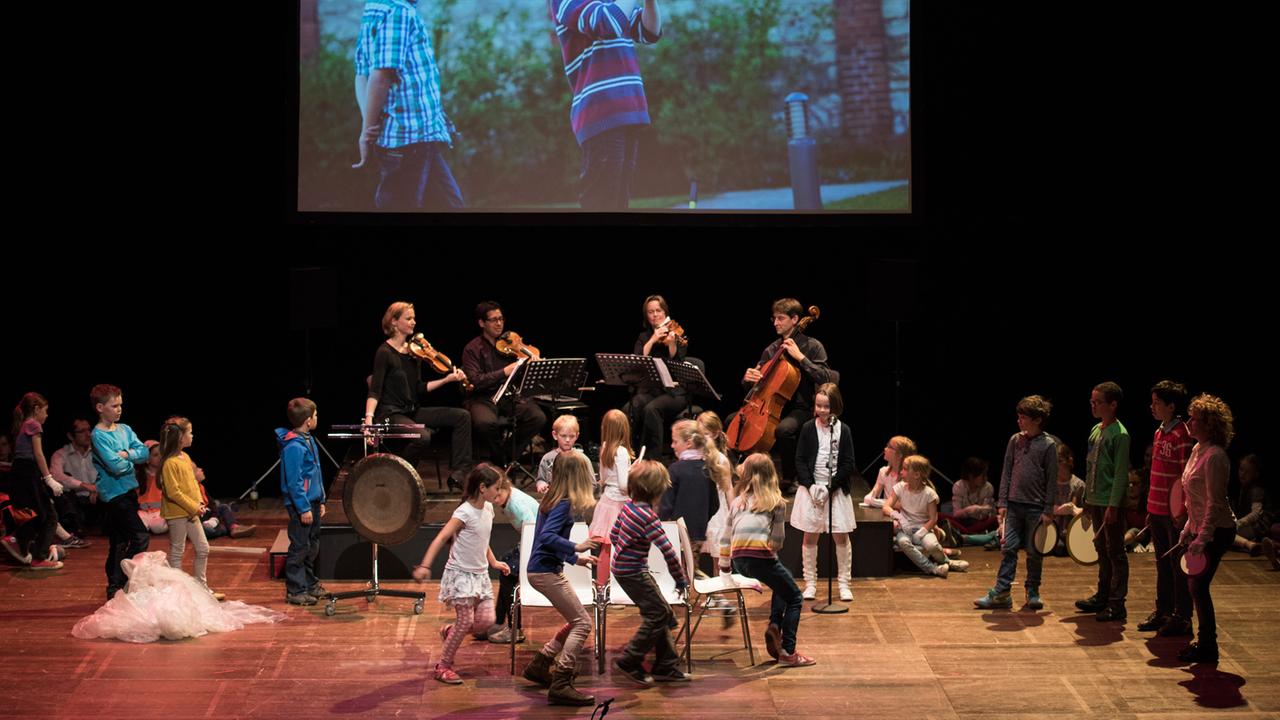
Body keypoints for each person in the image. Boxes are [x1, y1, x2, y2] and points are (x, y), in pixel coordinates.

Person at [548, 0, 663, 210]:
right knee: (601, 202)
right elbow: (608, 21)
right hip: (600, 111)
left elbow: (648, 32)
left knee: (619, 202)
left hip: (629, 109)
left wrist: (650, 3)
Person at [352, 0, 464, 210]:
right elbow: (380, 76)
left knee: (450, 205)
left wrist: (368, 124)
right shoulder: (399, 11)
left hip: (421, 138)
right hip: (407, 139)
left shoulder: (375, 8)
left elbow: (361, 74)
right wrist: (366, 131)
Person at [412, 464, 510, 684]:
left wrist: (494, 562)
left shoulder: (488, 509)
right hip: (461, 575)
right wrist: (425, 566)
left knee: (487, 620)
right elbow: (440, 538)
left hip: (480, 574)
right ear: (483, 488)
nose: (499, 492)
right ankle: (442, 666)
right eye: (496, 487)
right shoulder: (464, 512)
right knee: (466, 622)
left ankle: (451, 631)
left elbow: (482, 540)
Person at [520, 452, 600, 706]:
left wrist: (576, 560)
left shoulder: (552, 499)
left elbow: (549, 543)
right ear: (578, 477)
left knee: (575, 620)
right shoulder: (563, 503)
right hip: (544, 572)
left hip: (542, 569)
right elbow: (546, 537)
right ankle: (562, 682)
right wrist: (577, 547)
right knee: (583, 624)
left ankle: (541, 664)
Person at [719, 454, 815, 667]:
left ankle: (774, 625)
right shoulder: (776, 503)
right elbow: (777, 541)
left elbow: (725, 537)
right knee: (795, 598)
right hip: (760, 558)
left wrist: (724, 567)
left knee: (782, 582)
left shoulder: (737, 502)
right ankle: (788, 651)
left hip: (738, 560)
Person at [366, 301, 473, 490]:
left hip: (412, 411)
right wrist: (369, 419)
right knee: (422, 436)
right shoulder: (384, 352)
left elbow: (419, 389)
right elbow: (375, 390)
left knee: (462, 416)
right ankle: (397, 474)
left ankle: (458, 475)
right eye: (408, 318)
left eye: (413, 318)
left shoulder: (414, 352)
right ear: (394, 322)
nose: (413, 322)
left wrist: (447, 380)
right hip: (390, 414)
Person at [739, 299, 837, 490]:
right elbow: (753, 389)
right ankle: (753, 473)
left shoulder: (812, 346)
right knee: (734, 421)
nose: (775, 322)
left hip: (800, 407)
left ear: (794, 319)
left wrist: (800, 357)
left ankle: (790, 477)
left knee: (784, 430)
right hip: (770, 406)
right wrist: (748, 379)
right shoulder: (772, 349)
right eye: (774, 318)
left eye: (780, 318)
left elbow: (826, 377)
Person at [610, 459, 690, 685]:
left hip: (624, 569)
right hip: (633, 572)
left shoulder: (628, 508)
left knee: (661, 612)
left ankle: (666, 665)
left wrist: (627, 549)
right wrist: (680, 580)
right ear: (657, 490)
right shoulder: (648, 517)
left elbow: (614, 536)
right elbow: (669, 552)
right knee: (658, 614)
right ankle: (630, 659)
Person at [791, 383, 856, 601]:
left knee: (841, 536)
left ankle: (844, 584)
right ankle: (810, 583)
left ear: (835, 406)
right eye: (818, 405)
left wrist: (830, 488)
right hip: (812, 489)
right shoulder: (809, 428)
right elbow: (800, 460)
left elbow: (848, 463)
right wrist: (811, 486)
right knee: (810, 536)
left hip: (833, 489)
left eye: (826, 406)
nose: (821, 410)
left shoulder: (843, 430)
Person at [1074, 382, 1132, 622]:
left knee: (1116, 551)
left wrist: (1113, 506)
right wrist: (1087, 499)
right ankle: (1103, 596)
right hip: (1095, 499)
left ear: (1112, 404)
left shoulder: (1120, 434)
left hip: (1109, 501)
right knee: (1101, 549)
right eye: (1092, 401)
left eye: (1098, 402)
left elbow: (1120, 473)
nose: (1093, 405)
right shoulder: (1096, 430)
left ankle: (1117, 603)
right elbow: (1090, 467)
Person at [90, 384, 152, 597]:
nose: (119, 409)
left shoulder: (125, 429)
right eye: (114, 405)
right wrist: (130, 459)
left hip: (129, 492)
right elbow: (114, 466)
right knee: (139, 536)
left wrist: (126, 455)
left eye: (120, 405)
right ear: (100, 407)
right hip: (113, 496)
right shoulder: (98, 435)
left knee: (119, 541)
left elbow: (145, 453)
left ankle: (114, 586)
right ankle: (124, 578)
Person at [277, 398, 327, 606]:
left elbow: (315, 473)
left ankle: (309, 583)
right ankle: (296, 590)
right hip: (301, 505)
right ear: (308, 420)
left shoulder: (309, 439)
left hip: (313, 501)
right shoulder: (293, 447)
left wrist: (321, 499)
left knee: (312, 545)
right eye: (315, 416)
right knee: (300, 546)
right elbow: (295, 481)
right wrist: (303, 507)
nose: (317, 419)